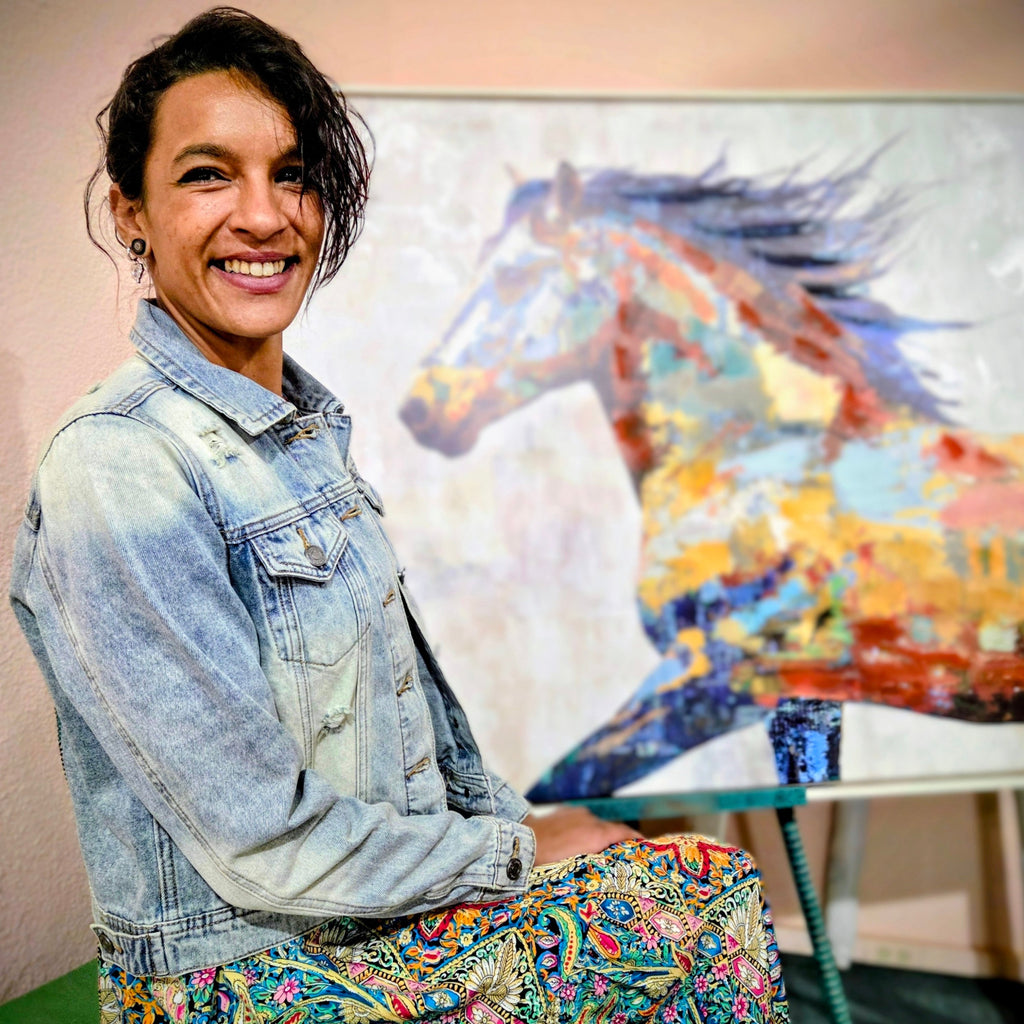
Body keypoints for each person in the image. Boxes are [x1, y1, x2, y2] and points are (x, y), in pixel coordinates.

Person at [10, 8, 789, 1022]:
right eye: (207, 175)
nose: (262, 216)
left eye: (290, 174)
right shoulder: (119, 464)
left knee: (689, 871)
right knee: (689, 905)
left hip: (368, 917)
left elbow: (416, 746)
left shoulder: (299, 434)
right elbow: (263, 841)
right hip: (239, 975)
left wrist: (524, 826)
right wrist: (514, 851)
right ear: (132, 214)